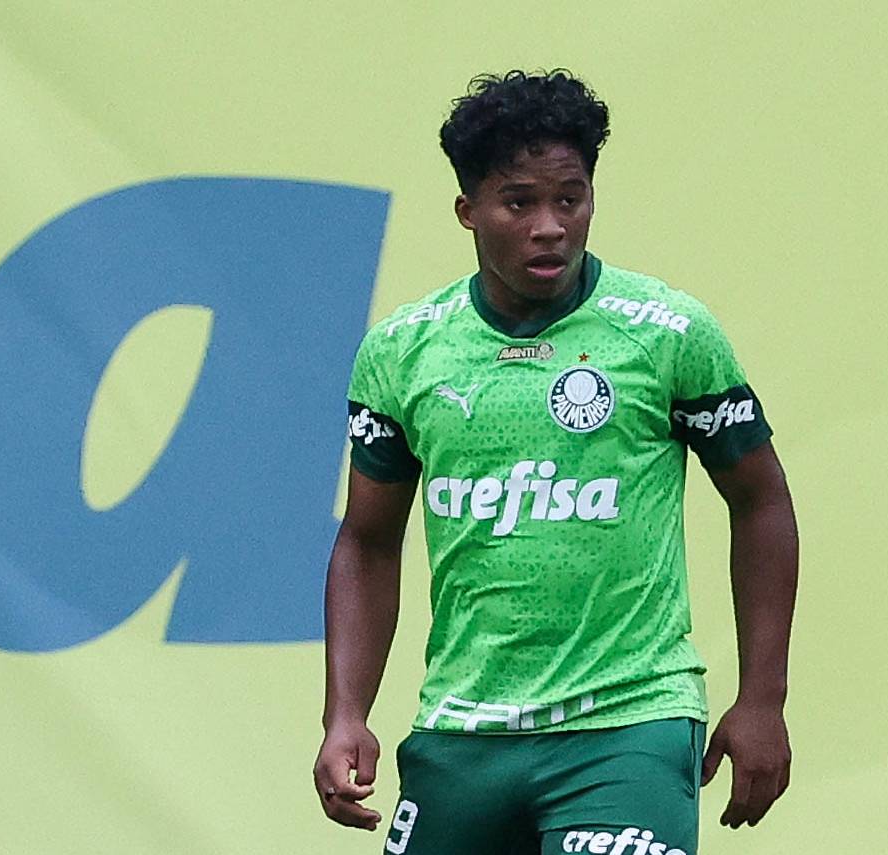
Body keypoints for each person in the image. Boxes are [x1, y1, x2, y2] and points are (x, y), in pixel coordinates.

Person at [314, 69, 799, 855]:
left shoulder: (665, 332)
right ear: (468, 211)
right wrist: (345, 711)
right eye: (519, 203)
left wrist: (763, 696)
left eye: (569, 199)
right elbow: (368, 541)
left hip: (628, 723)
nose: (550, 227)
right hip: (461, 733)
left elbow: (762, 500)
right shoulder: (404, 352)